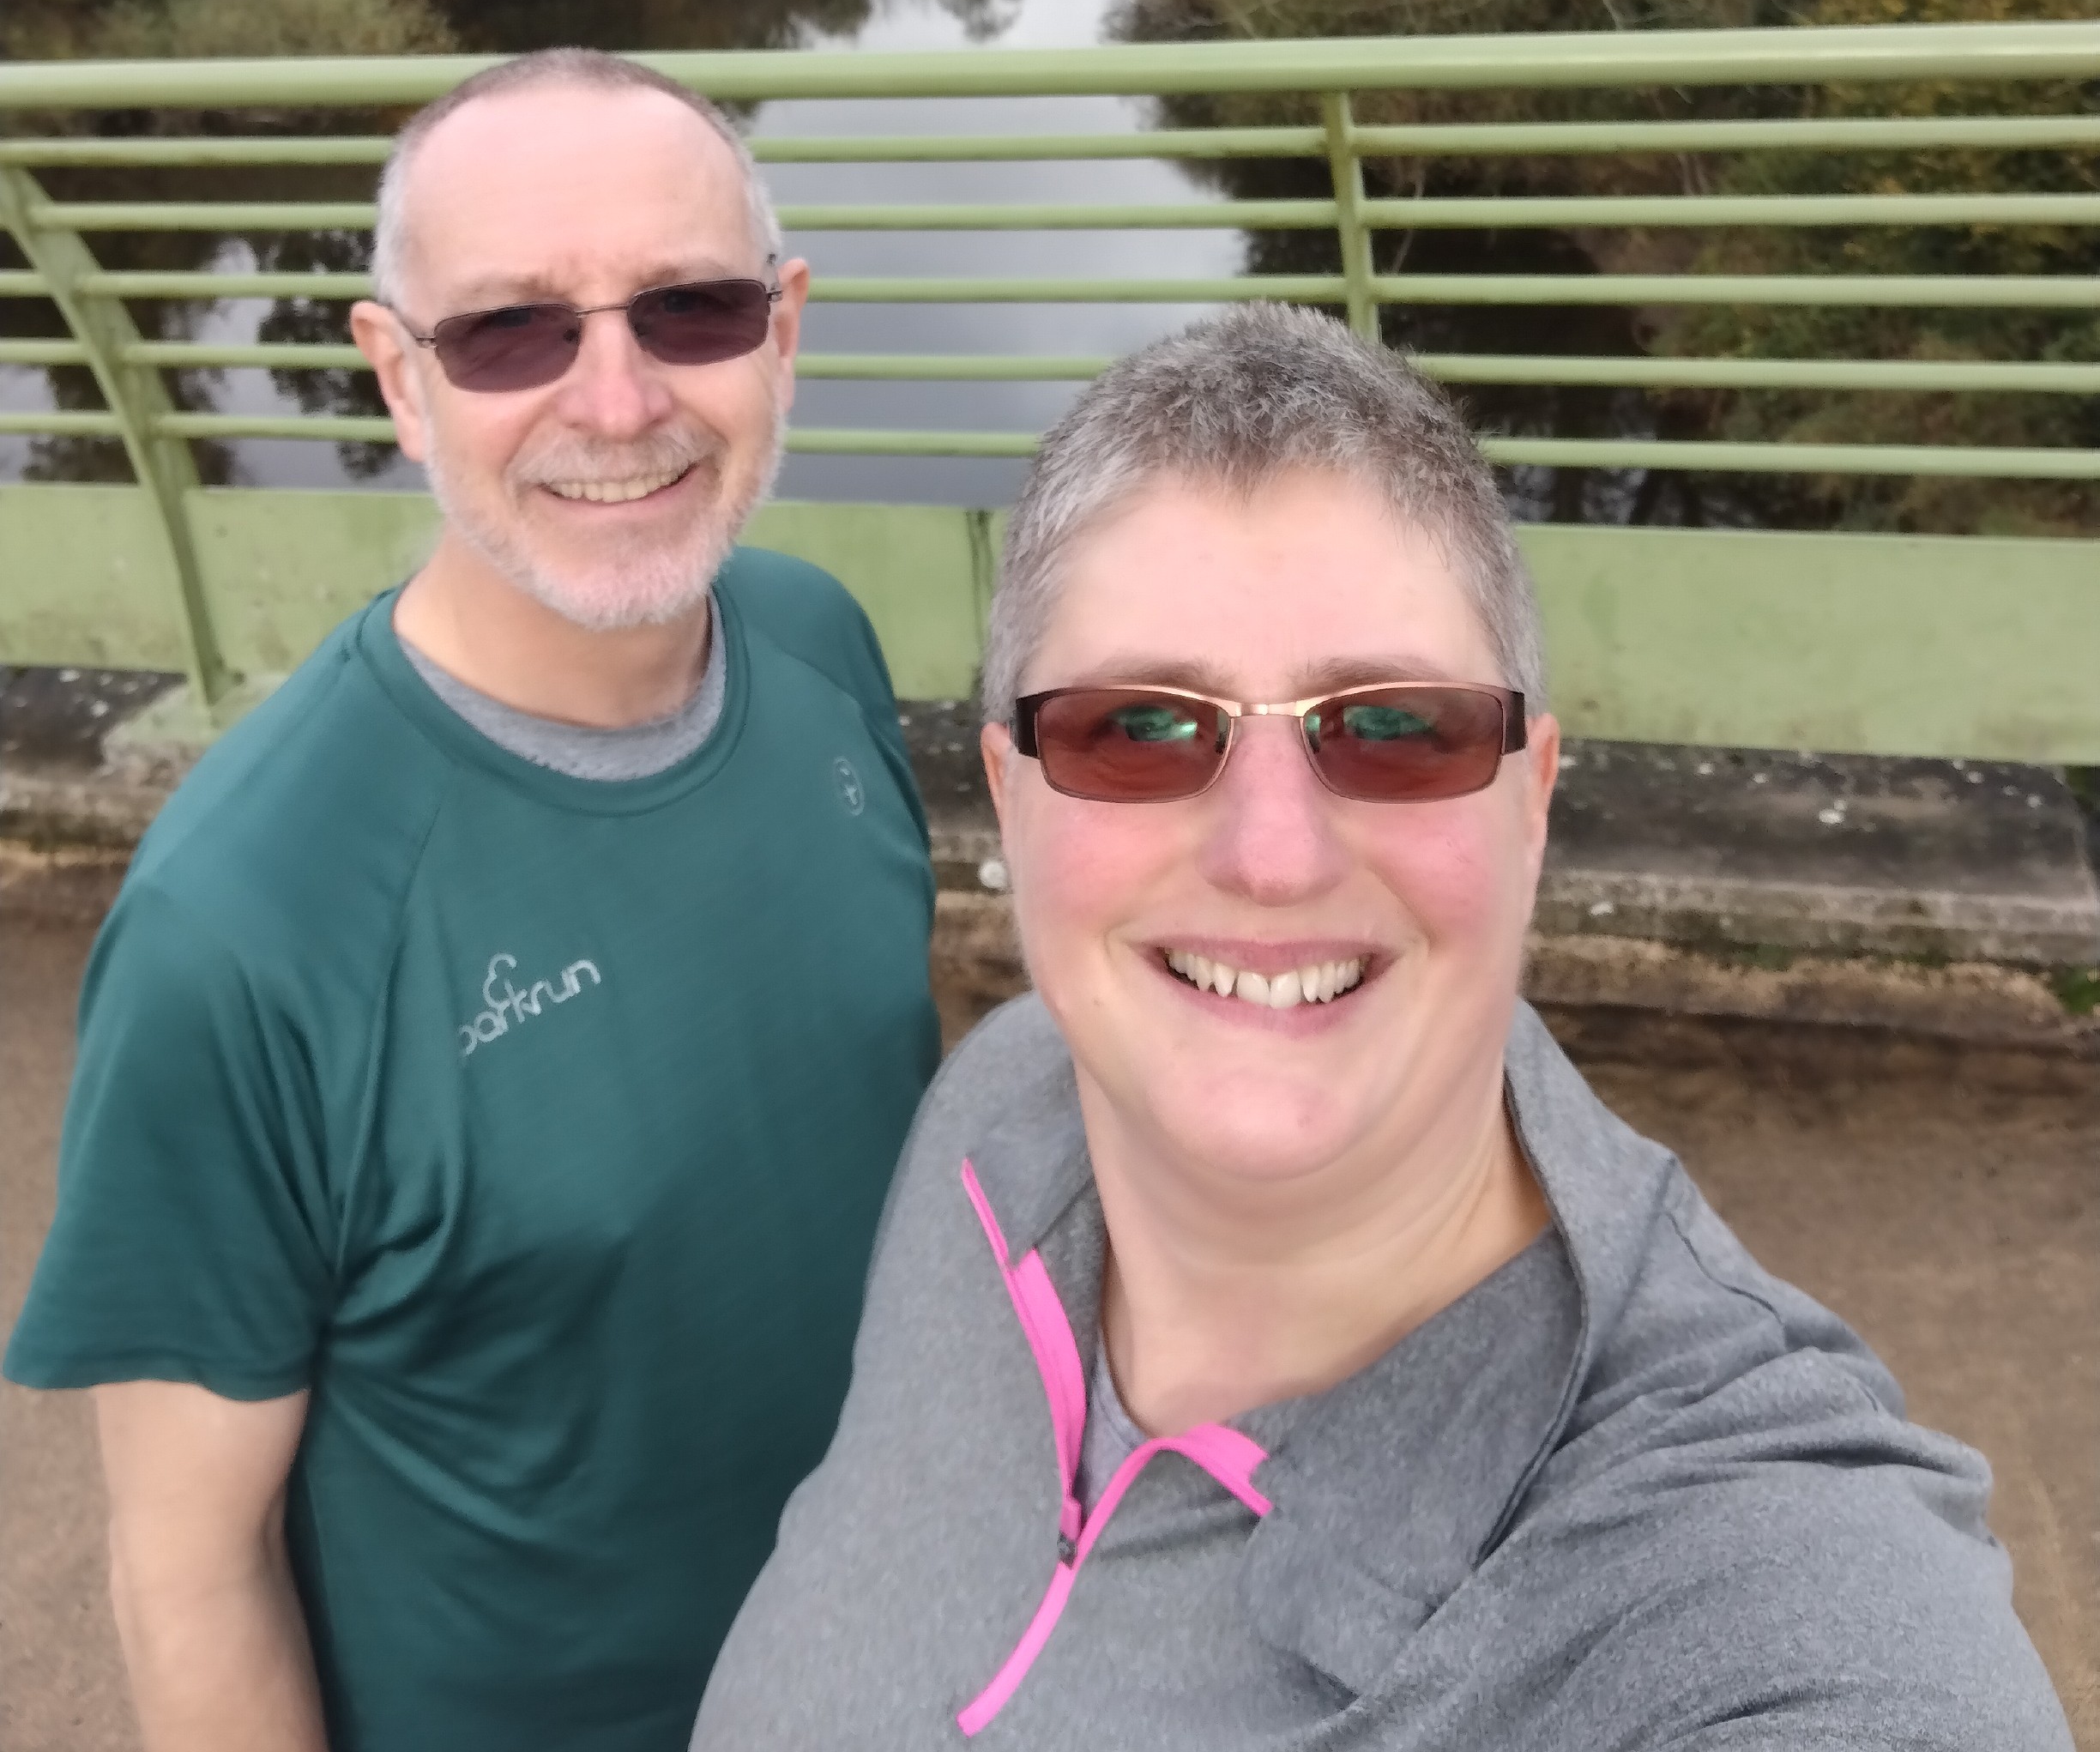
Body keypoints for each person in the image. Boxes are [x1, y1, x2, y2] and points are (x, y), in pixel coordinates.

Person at [693, 302, 2071, 1752]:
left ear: (1532, 803)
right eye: (1143, 729)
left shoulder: (1742, 1586)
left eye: (1396, 728)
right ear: (1015, 796)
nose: (1273, 855)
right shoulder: (1005, 1098)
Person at [7, 49, 939, 1752]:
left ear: (782, 329)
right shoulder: (243, 930)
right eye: (512, 332)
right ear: (398, 377)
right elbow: (188, 1569)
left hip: (908, 1667)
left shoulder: (815, 646)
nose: (616, 400)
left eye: (691, 309)